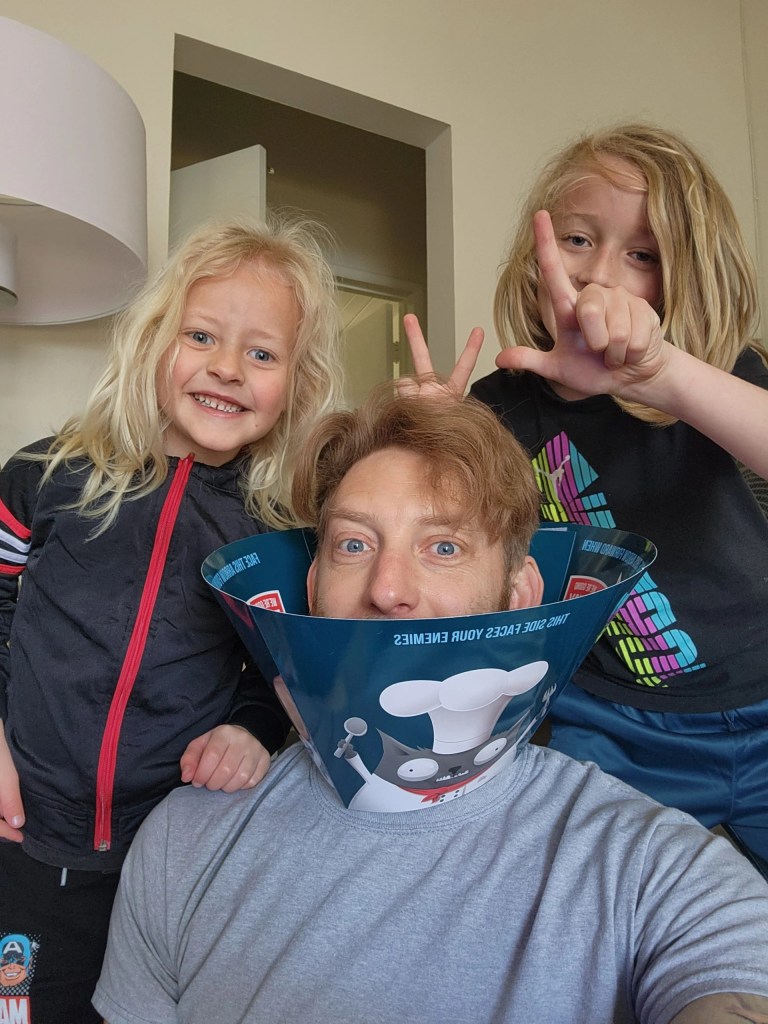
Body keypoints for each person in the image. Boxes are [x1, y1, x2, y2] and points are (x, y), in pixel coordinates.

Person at [94, 384, 768, 1024]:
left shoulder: (646, 863)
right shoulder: (184, 840)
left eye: (444, 546)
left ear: (520, 593)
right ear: (313, 584)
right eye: (354, 544)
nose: (388, 589)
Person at [0, 215, 344, 1022]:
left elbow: (276, 670)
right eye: (202, 336)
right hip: (21, 830)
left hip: (168, 856)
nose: (227, 368)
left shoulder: (276, 539)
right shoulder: (43, 475)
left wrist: (251, 730)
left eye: (262, 354)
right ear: (155, 341)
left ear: (296, 383)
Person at [457, 123, 768, 874]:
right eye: (577, 239)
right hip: (612, 718)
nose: (601, 276)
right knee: (581, 901)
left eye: (642, 255)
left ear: (685, 276)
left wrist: (663, 375)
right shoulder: (497, 407)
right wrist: (425, 440)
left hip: (764, 698)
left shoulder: (721, 375)